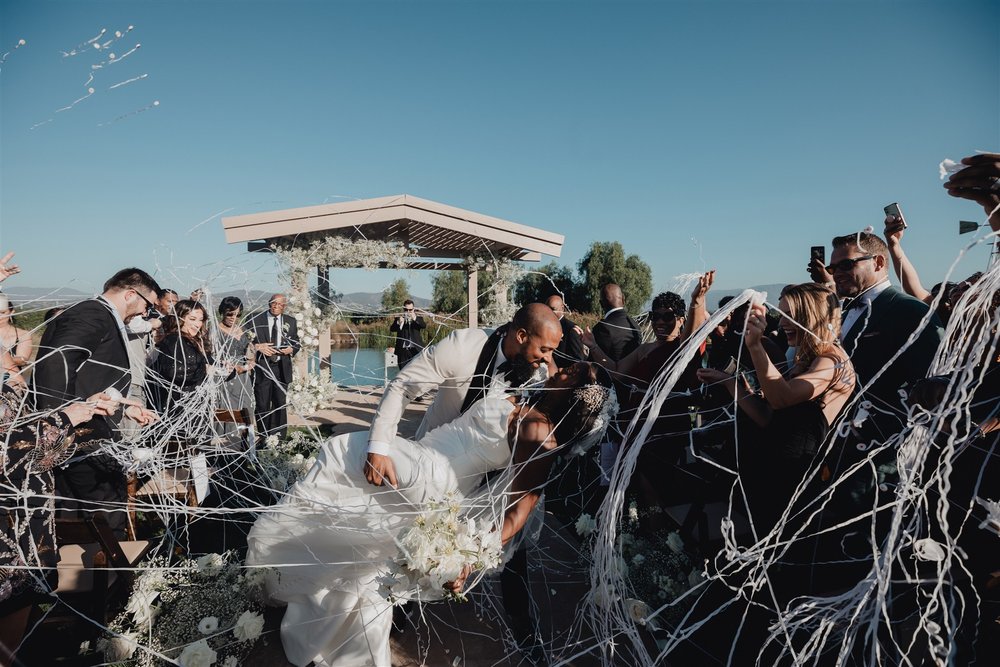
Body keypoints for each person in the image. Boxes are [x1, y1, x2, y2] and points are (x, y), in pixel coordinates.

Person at [246, 362, 615, 667]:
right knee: (368, 554)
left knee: (345, 448)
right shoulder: (531, 393)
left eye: (572, 373)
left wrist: (475, 551)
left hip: (438, 477)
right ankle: (337, 636)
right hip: (423, 454)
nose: (561, 367)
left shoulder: (539, 432)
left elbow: (521, 506)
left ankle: (287, 558)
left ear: (575, 395)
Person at [363, 302, 562, 655]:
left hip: (492, 477)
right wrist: (379, 446)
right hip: (438, 462)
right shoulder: (462, 346)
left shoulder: (539, 371)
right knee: (409, 538)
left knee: (512, 551)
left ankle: (525, 633)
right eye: (545, 349)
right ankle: (397, 615)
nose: (548, 361)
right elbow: (404, 385)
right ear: (520, 335)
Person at [696, 283, 855, 530]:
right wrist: (729, 384)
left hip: (794, 478)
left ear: (810, 316)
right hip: (769, 471)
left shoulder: (832, 359)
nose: (781, 324)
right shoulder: (804, 359)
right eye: (781, 315)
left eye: (790, 316)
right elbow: (768, 417)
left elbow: (782, 397)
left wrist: (756, 346)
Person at [31, 267, 161, 536]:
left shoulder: (102, 315)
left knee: (82, 515)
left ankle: (90, 570)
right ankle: (107, 576)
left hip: (87, 428)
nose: (145, 314)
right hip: (76, 436)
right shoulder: (92, 313)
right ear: (130, 295)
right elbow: (57, 362)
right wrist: (60, 418)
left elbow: (90, 376)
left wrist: (125, 407)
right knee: (106, 512)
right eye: (147, 305)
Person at [829, 231, 942, 431]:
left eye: (846, 265)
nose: (836, 273)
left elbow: (931, 377)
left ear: (878, 262)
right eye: (833, 267)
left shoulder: (909, 310)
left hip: (887, 438)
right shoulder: (844, 313)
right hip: (839, 432)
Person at [148, 299, 214, 414]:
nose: (197, 324)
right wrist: (204, 369)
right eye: (192, 319)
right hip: (176, 406)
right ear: (179, 319)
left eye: (201, 320)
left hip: (197, 405)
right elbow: (174, 371)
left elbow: (210, 362)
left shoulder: (199, 342)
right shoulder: (173, 340)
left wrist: (226, 369)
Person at [250, 294, 300, 440]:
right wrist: (258, 347)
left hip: (281, 368)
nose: (277, 306)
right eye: (274, 303)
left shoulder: (291, 321)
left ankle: (279, 438)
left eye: (280, 304)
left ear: (285, 306)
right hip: (262, 367)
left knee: (280, 404)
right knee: (262, 404)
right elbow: (244, 340)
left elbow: (296, 342)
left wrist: (292, 349)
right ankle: (263, 437)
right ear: (269, 303)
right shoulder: (255, 319)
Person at [215, 296, 255, 443]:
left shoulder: (244, 330)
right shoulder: (214, 331)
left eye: (238, 315)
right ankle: (223, 445)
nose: (234, 318)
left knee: (244, 410)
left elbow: (252, 358)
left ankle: (244, 445)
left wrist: (244, 367)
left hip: (243, 378)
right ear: (222, 312)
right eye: (230, 314)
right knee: (225, 410)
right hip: (223, 378)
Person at [591, 283, 641, 362]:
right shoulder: (635, 325)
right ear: (623, 300)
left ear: (601, 304)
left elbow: (595, 360)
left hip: (612, 373)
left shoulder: (602, 328)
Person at [546, 293, 585, 368]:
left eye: (553, 309)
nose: (549, 312)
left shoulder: (571, 329)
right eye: (547, 309)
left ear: (562, 308)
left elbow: (577, 360)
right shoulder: (546, 327)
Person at [0, 296, 31, 388]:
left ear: (11, 312)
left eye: (2, 312)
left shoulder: (22, 334)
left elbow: (23, 360)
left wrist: (5, 358)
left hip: (12, 381)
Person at [388, 299, 426, 368]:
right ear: (403, 309)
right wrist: (398, 323)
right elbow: (392, 329)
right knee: (403, 372)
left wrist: (414, 318)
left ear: (413, 309)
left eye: (410, 310)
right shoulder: (398, 319)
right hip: (402, 351)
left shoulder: (418, 318)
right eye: (406, 310)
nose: (408, 312)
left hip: (415, 350)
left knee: (416, 372)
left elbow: (423, 325)